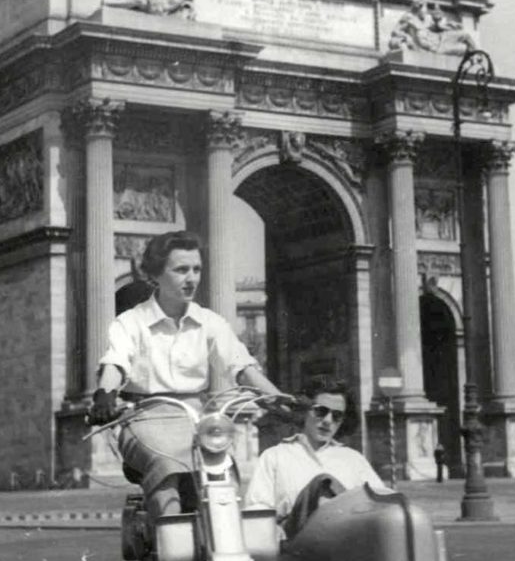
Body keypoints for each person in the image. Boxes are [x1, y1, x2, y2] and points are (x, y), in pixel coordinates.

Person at [90, 231, 284, 522]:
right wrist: (105, 394)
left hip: (198, 419)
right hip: (146, 419)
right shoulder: (130, 322)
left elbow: (242, 365)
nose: (191, 278)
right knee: (167, 474)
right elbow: (116, 362)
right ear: (155, 274)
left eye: (197, 269)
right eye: (181, 270)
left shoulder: (210, 322)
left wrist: (276, 397)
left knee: (224, 478)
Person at [245, 379, 390, 540]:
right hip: (297, 544)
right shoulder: (275, 456)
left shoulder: (353, 459)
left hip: (346, 543)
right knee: (322, 482)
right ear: (304, 411)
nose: (328, 421)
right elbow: (256, 508)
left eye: (337, 416)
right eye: (321, 411)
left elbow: (382, 502)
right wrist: (271, 528)